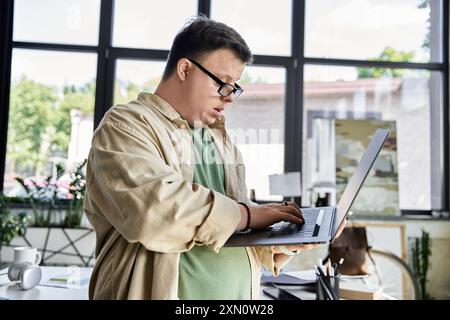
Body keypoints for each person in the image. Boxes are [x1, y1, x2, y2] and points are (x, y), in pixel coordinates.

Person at [84, 15, 345, 300]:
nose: (229, 97)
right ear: (185, 69)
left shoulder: (218, 139)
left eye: (235, 88)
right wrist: (247, 215)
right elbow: (154, 211)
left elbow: (230, 229)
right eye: (223, 83)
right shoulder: (126, 125)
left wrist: (290, 238)